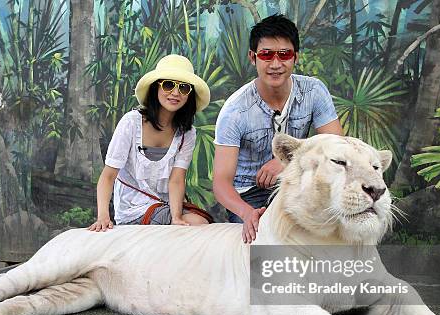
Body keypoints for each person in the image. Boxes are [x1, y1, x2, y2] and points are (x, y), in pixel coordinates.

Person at [213, 14, 343, 243]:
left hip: (296, 182)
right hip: (248, 194)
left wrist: (287, 161)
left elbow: (335, 145)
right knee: (264, 245)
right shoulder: (235, 111)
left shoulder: (313, 91)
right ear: (253, 58)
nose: (275, 64)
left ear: (296, 57)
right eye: (266, 55)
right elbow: (221, 183)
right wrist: (246, 213)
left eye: (284, 55)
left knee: (321, 237)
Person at [88, 55, 211, 231]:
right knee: (198, 223)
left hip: (165, 207)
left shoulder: (187, 132)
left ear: (189, 95)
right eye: (168, 85)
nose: (175, 93)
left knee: (201, 221)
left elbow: (177, 180)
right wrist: (103, 217)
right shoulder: (131, 122)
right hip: (133, 210)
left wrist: (176, 217)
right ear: (155, 88)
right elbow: (108, 175)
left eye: (183, 88)